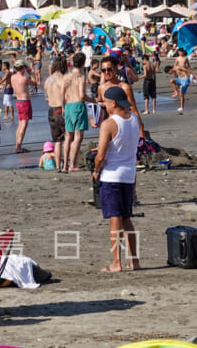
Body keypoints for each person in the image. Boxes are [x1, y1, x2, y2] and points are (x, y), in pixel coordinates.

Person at [92, 85, 140, 272]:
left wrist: (96, 170)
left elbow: (101, 156)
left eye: (104, 101)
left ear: (113, 103)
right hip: (129, 174)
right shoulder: (134, 119)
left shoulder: (109, 123)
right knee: (127, 219)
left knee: (115, 220)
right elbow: (126, 143)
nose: (103, 105)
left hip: (112, 175)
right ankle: (134, 261)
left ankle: (116, 263)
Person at [62, 55, 91, 173]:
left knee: (68, 136)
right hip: (77, 105)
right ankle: (72, 164)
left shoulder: (66, 76)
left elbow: (62, 94)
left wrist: (62, 107)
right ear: (83, 63)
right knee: (78, 136)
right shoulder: (81, 76)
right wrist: (93, 100)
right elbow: (82, 95)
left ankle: (65, 165)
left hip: (68, 105)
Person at [43, 56, 67, 171]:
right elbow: (66, 97)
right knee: (68, 138)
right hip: (60, 109)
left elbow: (46, 98)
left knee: (57, 140)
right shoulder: (63, 79)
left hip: (51, 110)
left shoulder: (48, 80)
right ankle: (67, 163)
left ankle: (57, 165)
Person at [9, 59, 33, 153]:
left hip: (19, 101)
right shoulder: (24, 78)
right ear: (23, 68)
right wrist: (30, 73)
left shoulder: (12, 77)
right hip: (25, 101)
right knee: (23, 124)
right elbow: (35, 83)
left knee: (20, 124)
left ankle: (17, 145)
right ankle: (18, 147)